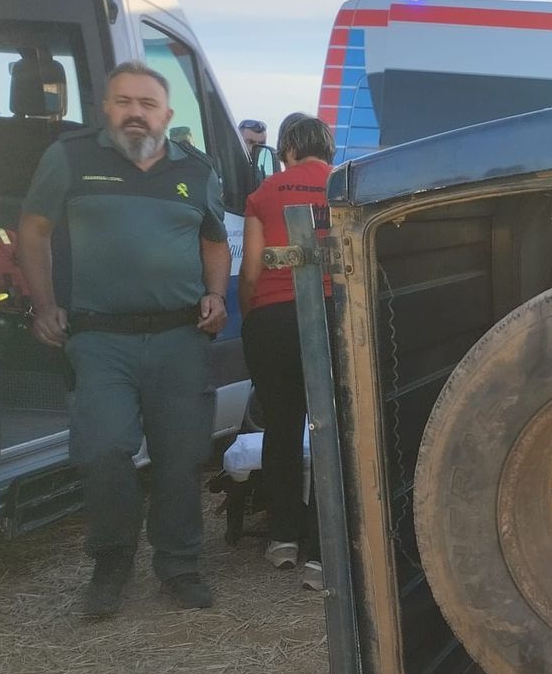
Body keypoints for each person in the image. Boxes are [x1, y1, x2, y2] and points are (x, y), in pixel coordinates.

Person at [18, 62, 230, 615]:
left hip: (180, 337)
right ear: (105, 107)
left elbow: (214, 241)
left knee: (181, 457)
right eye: (123, 101)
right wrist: (43, 306)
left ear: (167, 114)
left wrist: (217, 295)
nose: (135, 112)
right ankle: (112, 562)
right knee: (106, 449)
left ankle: (179, 565)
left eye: (147, 103)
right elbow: (33, 228)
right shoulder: (70, 157)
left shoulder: (198, 170)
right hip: (99, 337)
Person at [239, 116, 335, 591]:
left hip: (274, 318)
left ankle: (282, 539)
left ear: (288, 148)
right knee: (330, 429)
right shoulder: (344, 186)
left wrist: (250, 314)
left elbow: (252, 269)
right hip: (333, 317)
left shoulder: (265, 193)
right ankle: (323, 550)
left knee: (281, 424)